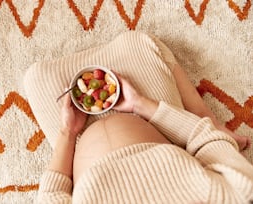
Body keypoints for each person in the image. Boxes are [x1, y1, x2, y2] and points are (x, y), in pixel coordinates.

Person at [24, 31, 253, 203]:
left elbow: (52, 195)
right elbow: (205, 139)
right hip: (155, 121)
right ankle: (211, 118)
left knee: (36, 77)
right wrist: (142, 104)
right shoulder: (233, 196)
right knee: (140, 42)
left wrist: (68, 132)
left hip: (76, 138)